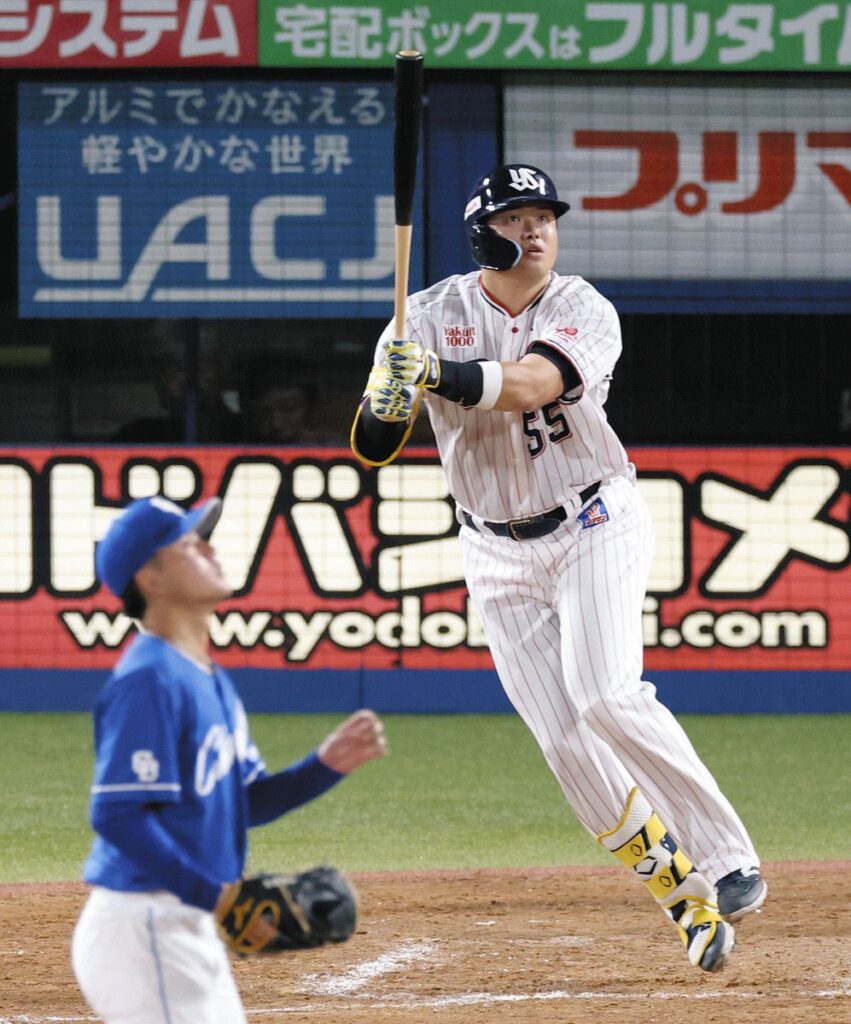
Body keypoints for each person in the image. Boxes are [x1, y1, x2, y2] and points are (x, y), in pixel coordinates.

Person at [351, 164, 766, 973]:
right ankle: (684, 900)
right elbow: (371, 445)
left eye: (544, 217)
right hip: (491, 548)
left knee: (606, 693)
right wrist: (390, 386)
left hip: (590, 518)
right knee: (566, 743)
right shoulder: (425, 316)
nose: (535, 231)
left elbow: (534, 382)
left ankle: (724, 857)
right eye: (515, 219)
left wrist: (433, 374)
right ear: (481, 237)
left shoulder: (582, 307)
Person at [71, 494, 388, 1023]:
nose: (211, 550)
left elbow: (245, 803)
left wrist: (323, 766)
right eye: (192, 545)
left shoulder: (207, 677)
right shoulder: (149, 678)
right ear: (151, 578)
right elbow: (116, 814)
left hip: (181, 922)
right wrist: (219, 897)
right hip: (145, 924)